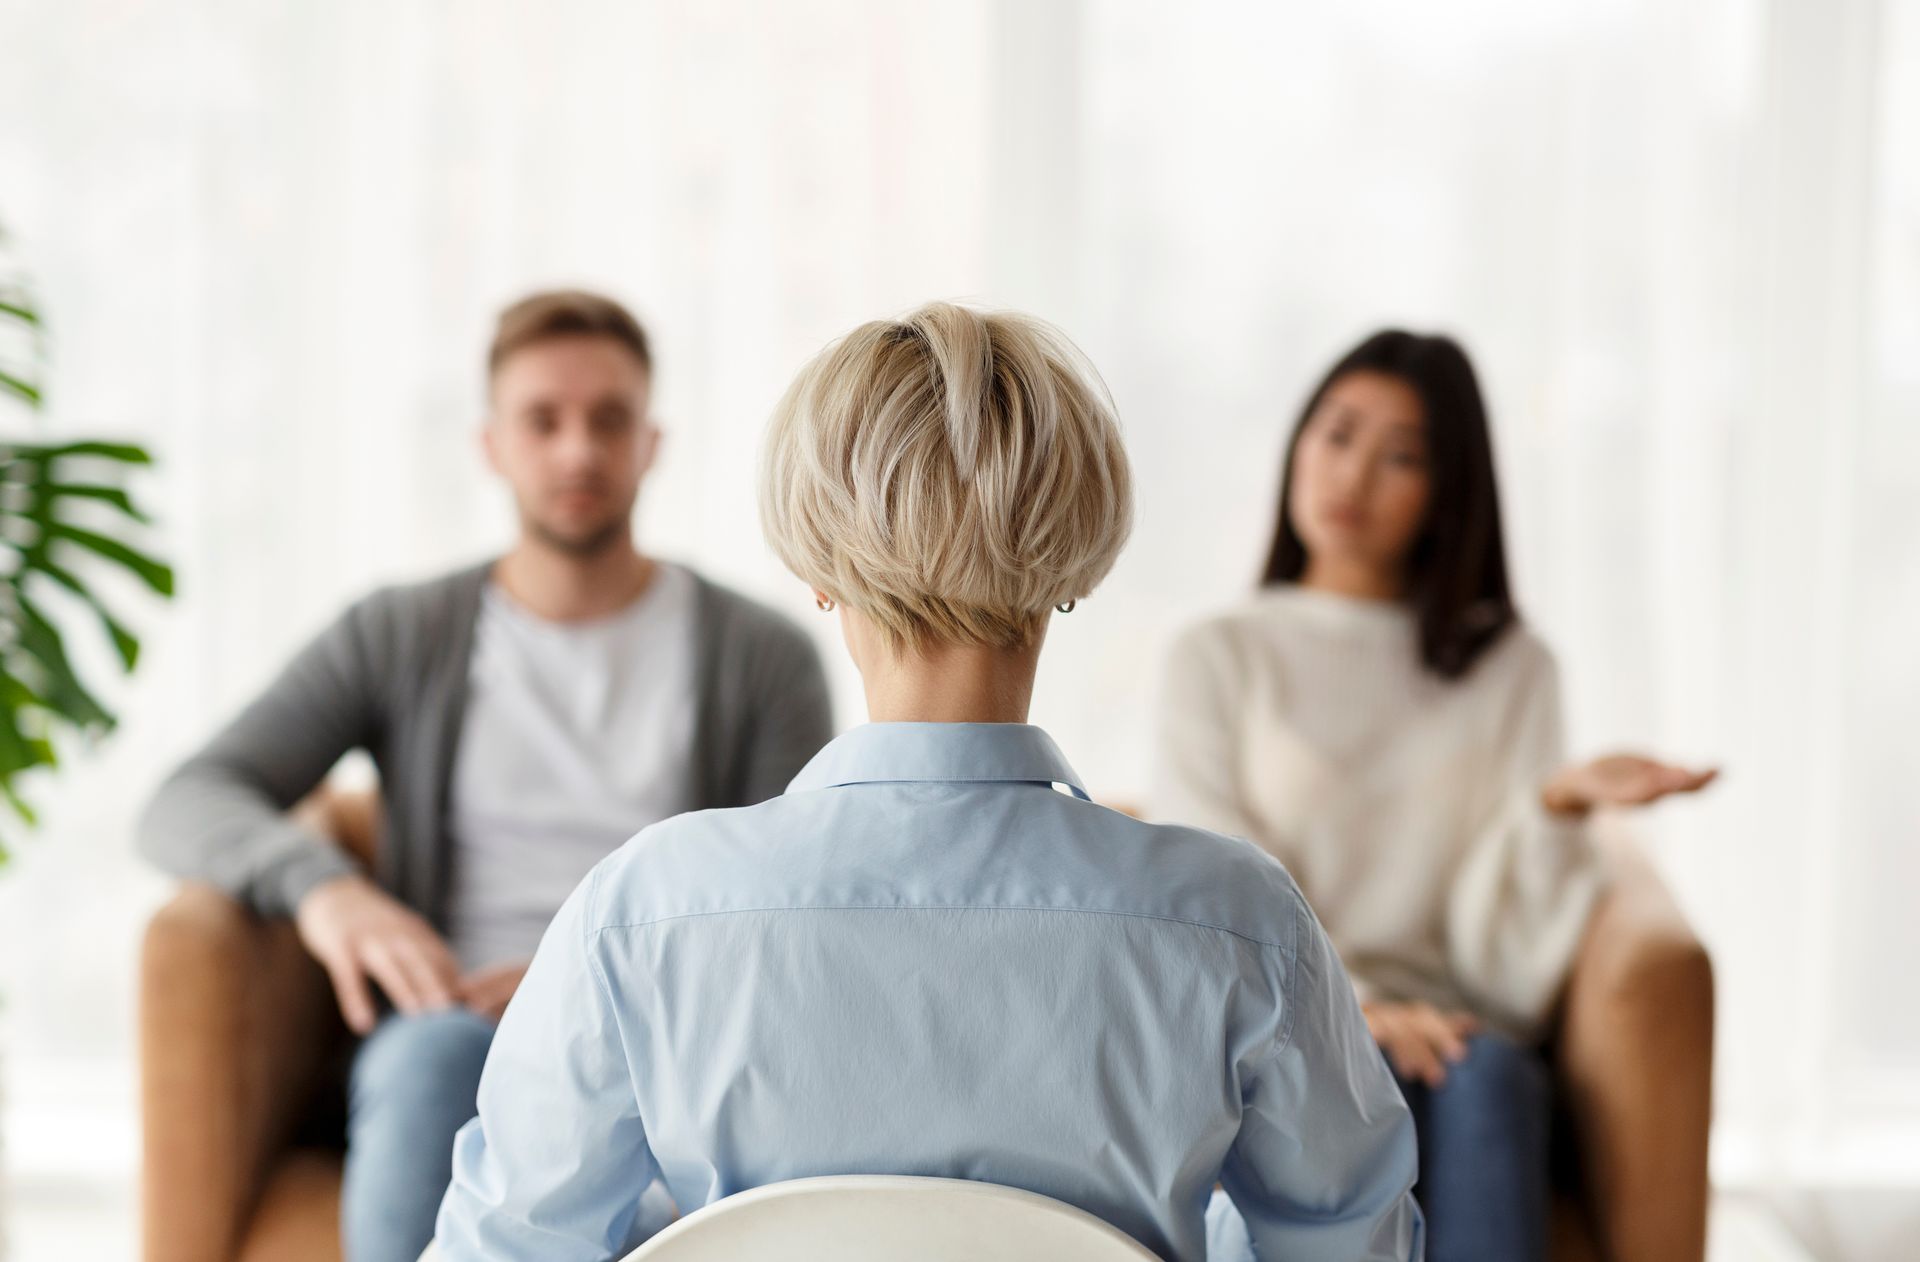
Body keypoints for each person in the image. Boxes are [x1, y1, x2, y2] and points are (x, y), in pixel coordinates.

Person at [432, 302, 1423, 1261]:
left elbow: (506, 1247)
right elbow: (1355, 1245)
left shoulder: (644, 909)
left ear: (816, 567)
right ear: (1074, 566)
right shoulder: (1237, 921)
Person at [137, 289, 834, 1262]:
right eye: (542, 420)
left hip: (663, 1043)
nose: (577, 450)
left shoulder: (760, 654)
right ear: (491, 444)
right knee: (427, 1059)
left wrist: (588, 984)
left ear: (653, 441)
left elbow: (796, 904)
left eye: (609, 419)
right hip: (455, 1030)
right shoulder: (400, 631)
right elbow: (189, 796)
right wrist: (327, 888)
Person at [1155, 329, 1716, 1262]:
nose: (1354, 476)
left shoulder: (1512, 669)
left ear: (1449, 489)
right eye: (1336, 435)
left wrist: (1556, 808)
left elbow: (1500, 970)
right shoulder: (1220, 654)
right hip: (1288, 1022)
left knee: (1491, 1076)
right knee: (1359, 1076)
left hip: (1460, 1034)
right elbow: (1216, 874)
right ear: (1297, 442)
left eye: (1402, 455)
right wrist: (1353, 1007)